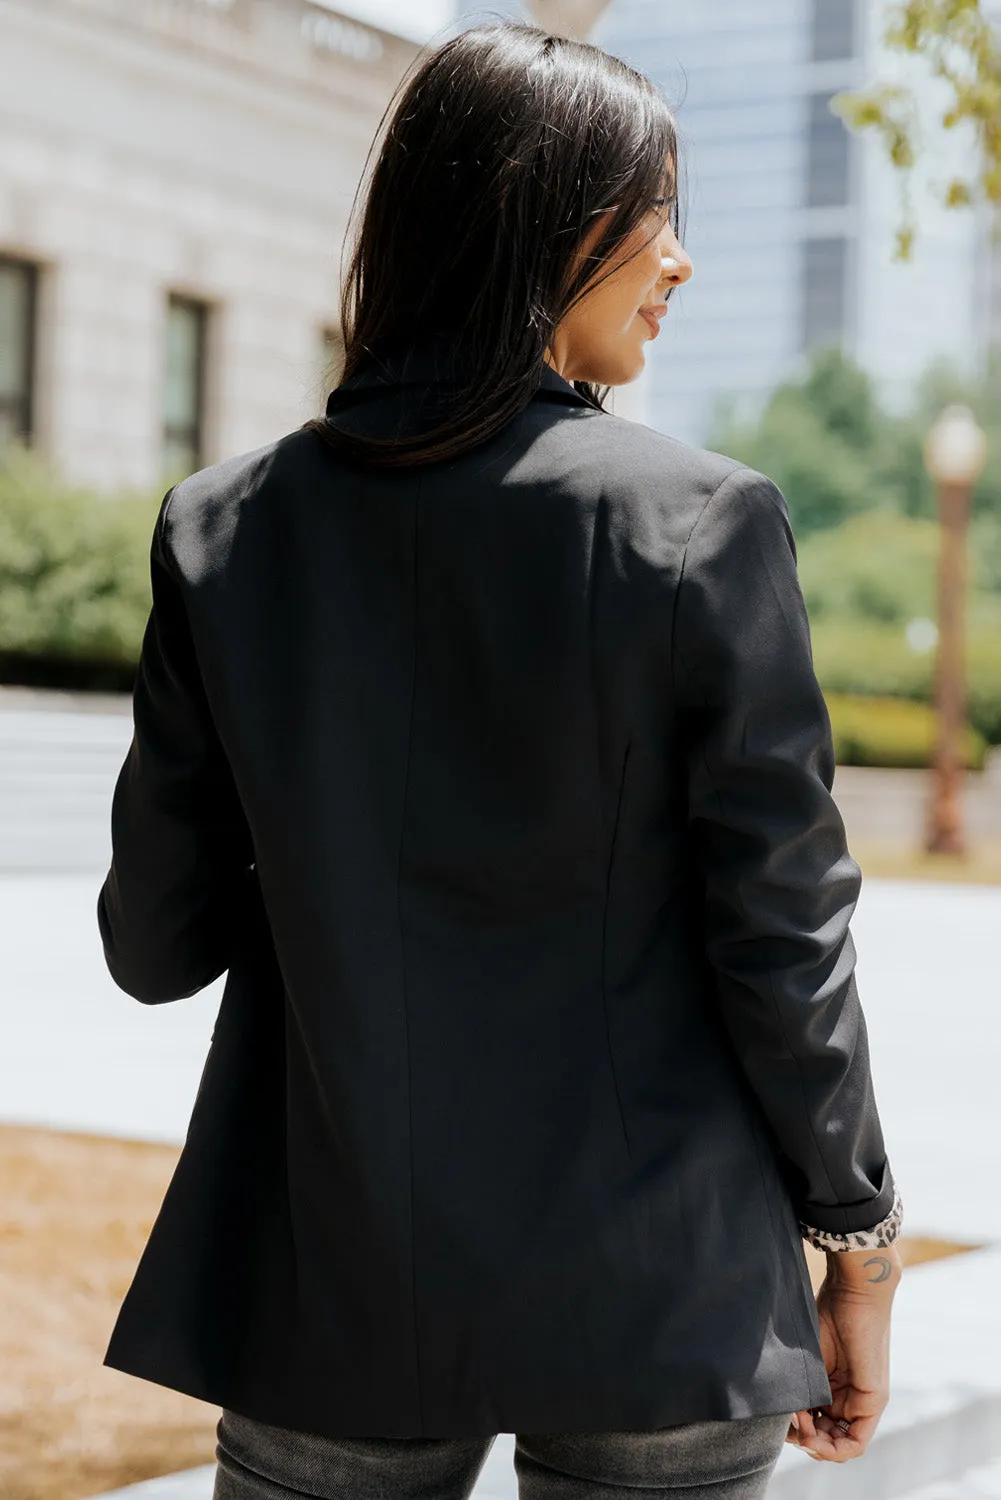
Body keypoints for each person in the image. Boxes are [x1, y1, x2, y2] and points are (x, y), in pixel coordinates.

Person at [96, 21, 904, 1500]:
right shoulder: (703, 525)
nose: (682, 263)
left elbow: (154, 946)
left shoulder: (223, 530)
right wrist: (857, 1236)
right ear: (561, 219)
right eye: (662, 216)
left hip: (334, 1280)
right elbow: (783, 938)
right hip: (660, 1286)